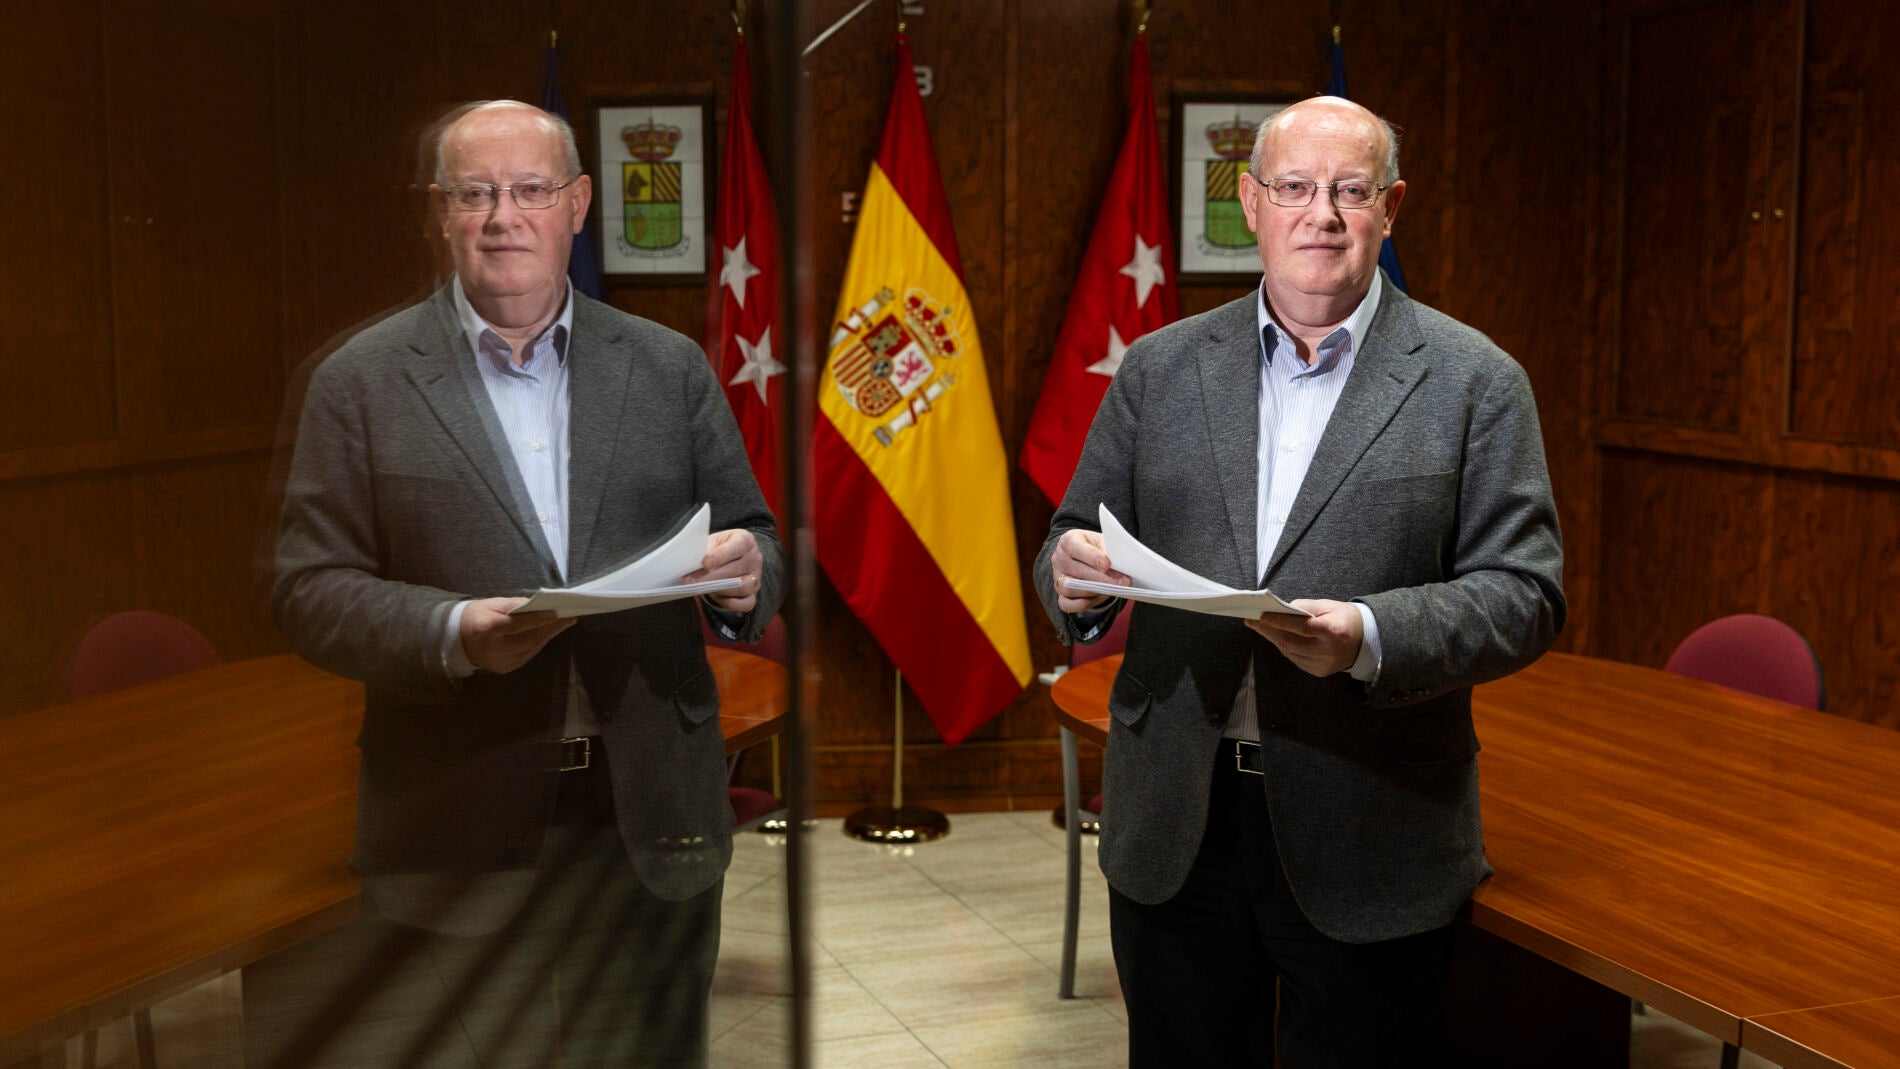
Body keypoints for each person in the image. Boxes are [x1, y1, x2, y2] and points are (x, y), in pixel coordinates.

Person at [1034, 96, 1565, 1068]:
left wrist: (1369, 634)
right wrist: (1072, 573)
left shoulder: (1475, 381)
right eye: (1295, 187)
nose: (1321, 214)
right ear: (1252, 203)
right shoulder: (1158, 368)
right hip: (1177, 822)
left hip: (1371, 823)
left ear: (1389, 207)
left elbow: (1525, 594)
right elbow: (1073, 532)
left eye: (1350, 190)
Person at [258, 100, 781, 1068]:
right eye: (476, 193)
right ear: (439, 212)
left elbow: (755, 533)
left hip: (649, 812)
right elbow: (308, 588)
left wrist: (747, 573)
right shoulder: (357, 382)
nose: (504, 217)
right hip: (457, 821)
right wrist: (451, 628)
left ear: (577, 205)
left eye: (530, 190)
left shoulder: (669, 368)